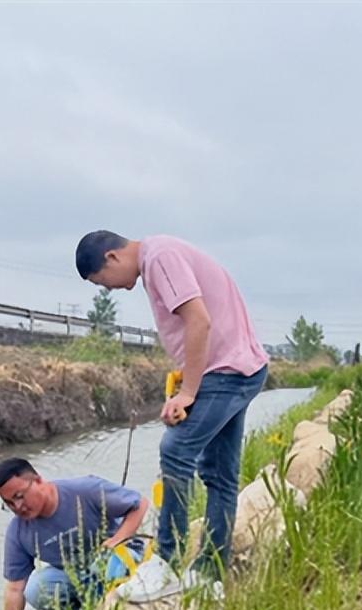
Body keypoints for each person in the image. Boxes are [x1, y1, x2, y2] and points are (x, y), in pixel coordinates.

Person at [75, 231, 268, 580]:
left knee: (176, 450)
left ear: (111, 258)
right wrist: (186, 377)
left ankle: (166, 563)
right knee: (220, 476)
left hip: (226, 373)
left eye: (102, 282)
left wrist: (189, 392)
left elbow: (199, 320)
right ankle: (210, 573)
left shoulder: (159, 257)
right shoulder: (160, 255)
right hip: (238, 367)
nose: (109, 289)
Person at [0, 457, 149, 610]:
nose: (18, 506)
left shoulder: (84, 490)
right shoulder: (18, 532)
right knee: (35, 588)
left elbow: (140, 504)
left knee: (104, 565)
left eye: (20, 496)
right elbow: (15, 589)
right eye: (9, 503)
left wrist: (116, 539)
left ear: (38, 481)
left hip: (119, 559)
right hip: (76, 574)